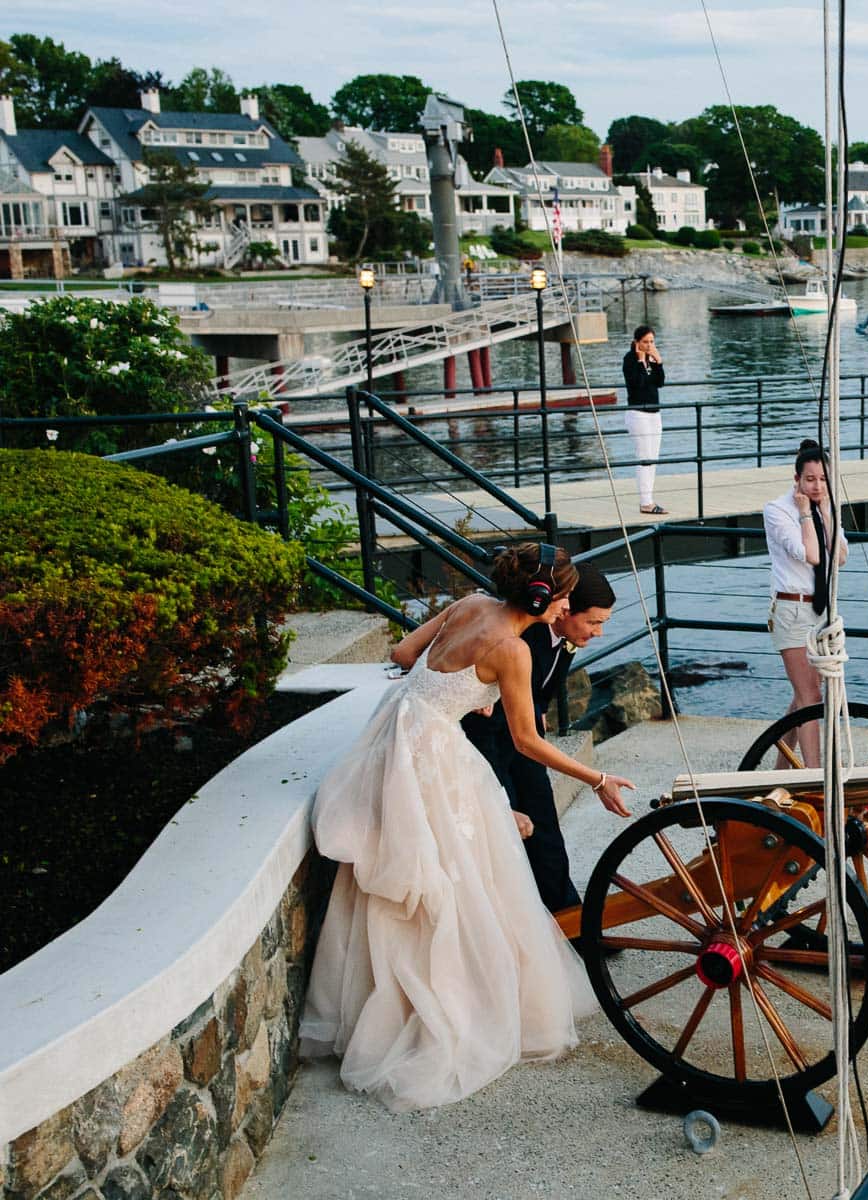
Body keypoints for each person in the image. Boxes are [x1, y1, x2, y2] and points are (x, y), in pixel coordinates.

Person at [300, 544, 635, 1111]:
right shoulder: (512, 650)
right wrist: (597, 775)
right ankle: (449, 1006)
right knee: (457, 882)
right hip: (436, 757)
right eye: (561, 600)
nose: (564, 609)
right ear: (539, 597)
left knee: (414, 876)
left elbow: (407, 654)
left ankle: (372, 1009)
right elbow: (527, 741)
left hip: (395, 737)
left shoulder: (470, 603)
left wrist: (462, 694)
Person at [461, 563, 615, 914]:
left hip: (526, 740)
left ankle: (570, 918)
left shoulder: (563, 638)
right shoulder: (518, 639)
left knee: (544, 825)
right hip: (484, 744)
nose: (599, 632)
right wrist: (597, 779)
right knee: (506, 833)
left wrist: (540, 706)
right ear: (563, 608)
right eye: (593, 622)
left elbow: (541, 690)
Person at [762, 440, 848, 767]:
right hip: (792, 609)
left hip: (821, 610)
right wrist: (804, 515)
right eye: (810, 479)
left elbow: (838, 557)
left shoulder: (827, 507)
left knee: (805, 696)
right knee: (810, 697)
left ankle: (781, 768)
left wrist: (825, 513)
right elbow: (812, 555)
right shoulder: (778, 510)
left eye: (823, 479)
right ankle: (814, 774)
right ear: (796, 478)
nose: (817, 486)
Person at [621, 325, 666, 515]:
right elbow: (636, 384)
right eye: (645, 342)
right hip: (638, 414)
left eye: (651, 342)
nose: (649, 345)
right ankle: (645, 501)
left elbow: (659, 382)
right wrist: (640, 362)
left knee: (653, 457)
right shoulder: (630, 360)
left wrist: (659, 361)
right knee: (644, 457)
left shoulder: (651, 358)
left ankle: (650, 498)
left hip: (654, 413)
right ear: (637, 342)